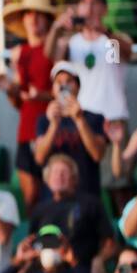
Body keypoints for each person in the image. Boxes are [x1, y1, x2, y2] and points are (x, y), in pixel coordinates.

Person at [0, 0, 57, 207]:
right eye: (29, 14)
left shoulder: (57, 48)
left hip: (51, 128)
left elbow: (66, 92)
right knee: (30, 198)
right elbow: (19, 103)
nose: (33, 19)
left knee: (53, 192)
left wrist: (40, 95)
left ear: (48, 19)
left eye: (39, 14)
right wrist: (9, 90)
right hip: (26, 129)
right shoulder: (18, 53)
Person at [48, 0, 132, 125]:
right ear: (77, 9)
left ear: (105, 9)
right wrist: (57, 27)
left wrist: (103, 31)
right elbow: (50, 55)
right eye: (84, 2)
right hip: (83, 116)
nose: (89, 7)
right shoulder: (71, 42)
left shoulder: (112, 39)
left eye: (95, 2)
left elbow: (125, 55)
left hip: (113, 116)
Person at [32, 61, 107, 198]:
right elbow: (39, 158)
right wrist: (53, 124)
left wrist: (79, 119)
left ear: (77, 87)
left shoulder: (94, 118)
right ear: (53, 90)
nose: (63, 85)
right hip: (54, 199)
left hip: (87, 195)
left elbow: (97, 155)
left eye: (68, 81)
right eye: (58, 82)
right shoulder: (44, 120)